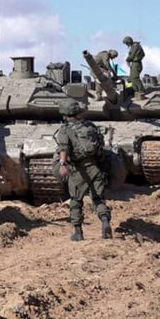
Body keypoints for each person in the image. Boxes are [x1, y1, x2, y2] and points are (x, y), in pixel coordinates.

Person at [56, 100, 112, 241]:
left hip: (79, 170)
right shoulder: (90, 126)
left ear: (64, 114)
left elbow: (64, 148)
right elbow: (101, 143)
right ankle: (105, 220)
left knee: (75, 200)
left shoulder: (65, 129)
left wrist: (62, 164)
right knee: (98, 199)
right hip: (96, 167)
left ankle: (78, 232)